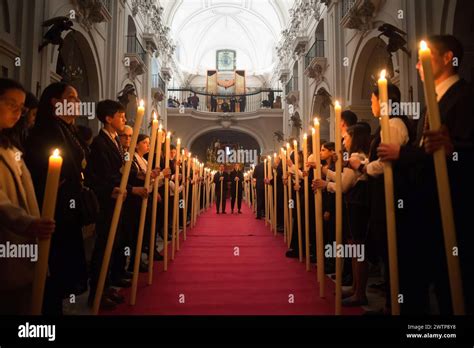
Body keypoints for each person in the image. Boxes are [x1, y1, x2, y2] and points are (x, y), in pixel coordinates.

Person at [378, 35, 474, 314]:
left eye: (426, 57)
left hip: (454, 210)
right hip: (425, 210)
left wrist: (403, 154)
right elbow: (428, 153)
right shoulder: (432, 101)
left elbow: (453, 151)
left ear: (447, 59)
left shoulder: (465, 97)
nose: (418, 65)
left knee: (454, 291)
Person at [25, 82, 89, 315]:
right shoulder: (46, 130)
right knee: (50, 267)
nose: (78, 103)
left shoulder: (67, 128)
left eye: (78, 98)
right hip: (52, 207)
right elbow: (41, 166)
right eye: (71, 97)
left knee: (62, 269)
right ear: (55, 102)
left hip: (67, 208)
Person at [0, 78, 55, 314]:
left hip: (24, 241)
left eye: (20, 108)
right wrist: (27, 222)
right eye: (11, 104)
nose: (18, 113)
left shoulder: (10, 145)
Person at [86, 100, 141, 310]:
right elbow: (98, 175)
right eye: (121, 116)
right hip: (106, 202)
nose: (125, 120)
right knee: (103, 247)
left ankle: (106, 286)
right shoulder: (100, 143)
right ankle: (96, 293)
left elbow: (121, 171)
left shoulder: (114, 140)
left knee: (113, 244)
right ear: (108, 119)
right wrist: (116, 185)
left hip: (117, 200)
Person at [314, 123, 371, 306]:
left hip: (357, 207)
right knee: (354, 248)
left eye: (346, 137)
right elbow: (341, 179)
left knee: (357, 250)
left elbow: (343, 185)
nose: (343, 141)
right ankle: (356, 287)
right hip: (354, 206)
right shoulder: (356, 156)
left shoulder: (356, 156)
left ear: (355, 139)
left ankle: (359, 291)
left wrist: (325, 184)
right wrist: (327, 173)